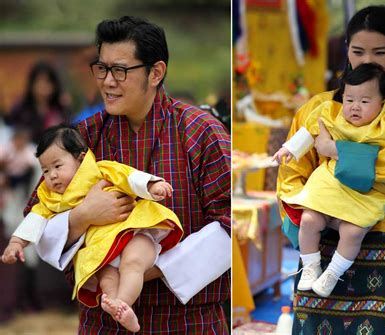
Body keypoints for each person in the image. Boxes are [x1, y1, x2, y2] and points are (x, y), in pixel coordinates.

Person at [24, 16, 231, 334]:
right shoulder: (83, 138)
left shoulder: (200, 131)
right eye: (101, 68)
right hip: (103, 321)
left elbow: (231, 224)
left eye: (120, 70)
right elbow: (37, 214)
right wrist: (81, 216)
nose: (107, 81)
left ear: (156, 72)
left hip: (188, 319)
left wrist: (143, 268)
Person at [276, 5, 385, 334]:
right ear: (346, 51)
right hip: (319, 236)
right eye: (358, 51)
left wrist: (334, 151)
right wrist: (302, 219)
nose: (368, 61)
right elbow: (292, 172)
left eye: (380, 52)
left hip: (383, 235)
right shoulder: (320, 107)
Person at [273, 63, 385, 297]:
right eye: (350, 100)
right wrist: (289, 149)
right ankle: (310, 266)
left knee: (353, 232)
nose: (355, 107)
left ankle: (332, 272)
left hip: (365, 193)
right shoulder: (330, 112)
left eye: (364, 101)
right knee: (309, 220)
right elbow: (308, 132)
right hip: (331, 184)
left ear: (382, 102)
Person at [2, 125, 183, 332]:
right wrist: (17, 242)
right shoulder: (49, 196)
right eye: (45, 170)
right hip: (99, 251)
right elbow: (35, 218)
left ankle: (124, 302)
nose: (51, 175)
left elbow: (129, 176)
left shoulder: (102, 169)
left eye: (57, 166)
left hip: (132, 233)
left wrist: (151, 186)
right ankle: (119, 309)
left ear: (80, 158)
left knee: (132, 264)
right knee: (106, 279)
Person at [5, 61, 70, 144]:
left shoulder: (60, 109)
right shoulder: (20, 110)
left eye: (47, 81)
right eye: (39, 81)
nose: (42, 86)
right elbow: (9, 133)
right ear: (31, 84)